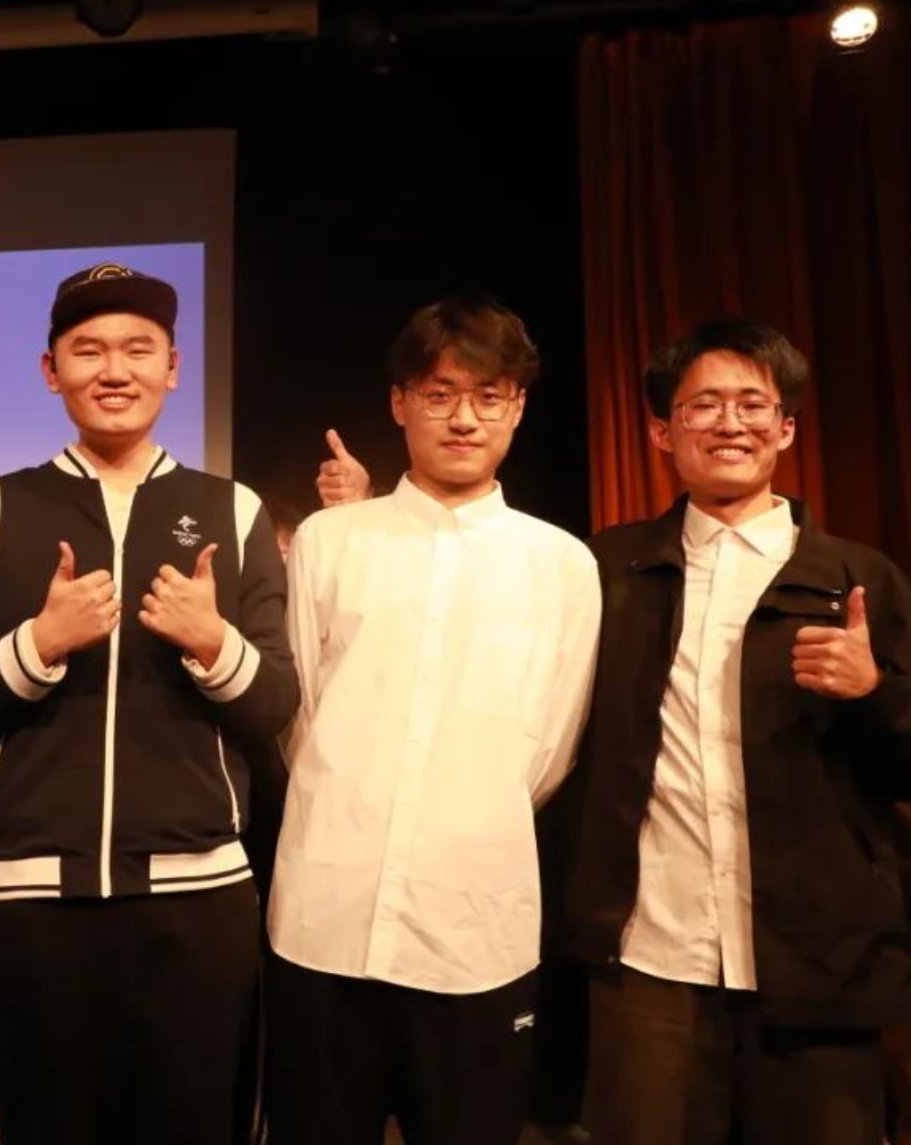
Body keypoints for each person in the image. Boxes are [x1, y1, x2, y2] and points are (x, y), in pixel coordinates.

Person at [561, 317, 911, 1145]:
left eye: (752, 404)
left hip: (820, 965)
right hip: (652, 956)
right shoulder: (607, 570)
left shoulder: (858, 577)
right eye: (704, 405)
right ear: (662, 431)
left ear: (784, 428)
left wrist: (872, 691)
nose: (729, 423)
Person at [0, 262, 298, 1145]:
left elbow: (275, 701)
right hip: (33, 901)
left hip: (200, 898)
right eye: (88, 350)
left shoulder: (230, 509)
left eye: (138, 349)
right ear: (51, 370)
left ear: (174, 366)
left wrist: (212, 641)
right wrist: (39, 643)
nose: (115, 370)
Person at [266, 294, 600, 1145]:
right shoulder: (330, 541)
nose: (464, 418)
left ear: (518, 407)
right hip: (325, 915)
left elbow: (550, 750)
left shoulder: (561, 564)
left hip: (471, 930)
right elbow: (296, 719)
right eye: (440, 393)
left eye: (489, 395)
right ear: (399, 402)